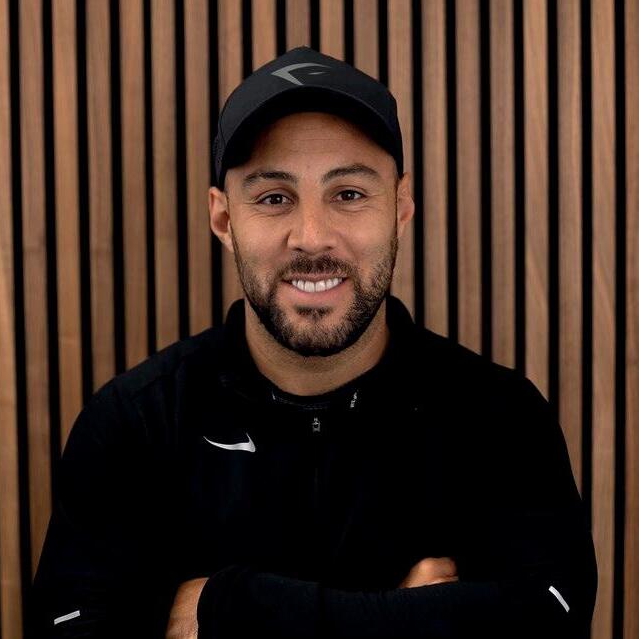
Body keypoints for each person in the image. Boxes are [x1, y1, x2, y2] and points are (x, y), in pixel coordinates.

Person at [31, 46, 597, 639]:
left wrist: (232, 607)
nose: (312, 236)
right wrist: (404, 619)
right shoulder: (134, 424)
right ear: (224, 219)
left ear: (400, 207)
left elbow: (551, 618)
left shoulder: (499, 418)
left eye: (348, 193)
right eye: (274, 197)